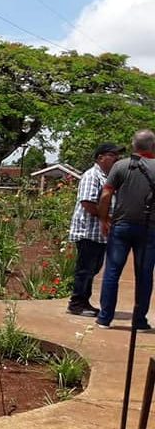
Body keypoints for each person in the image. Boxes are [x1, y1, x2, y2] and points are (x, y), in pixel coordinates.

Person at [96, 129, 155, 330]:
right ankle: (139, 321)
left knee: (112, 271)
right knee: (145, 274)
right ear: (152, 146)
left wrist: (104, 219)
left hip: (121, 225)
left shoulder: (121, 166)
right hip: (149, 229)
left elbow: (105, 196)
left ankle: (105, 318)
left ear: (133, 145)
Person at [67, 143, 124, 316]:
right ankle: (76, 304)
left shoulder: (109, 177)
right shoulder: (92, 176)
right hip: (88, 232)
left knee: (93, 269)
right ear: (100, 157)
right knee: (85, 269)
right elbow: (87, 202)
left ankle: (84, 301)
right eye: (112, 155)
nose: (117, 158)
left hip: (99, 234)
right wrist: (105, 218)